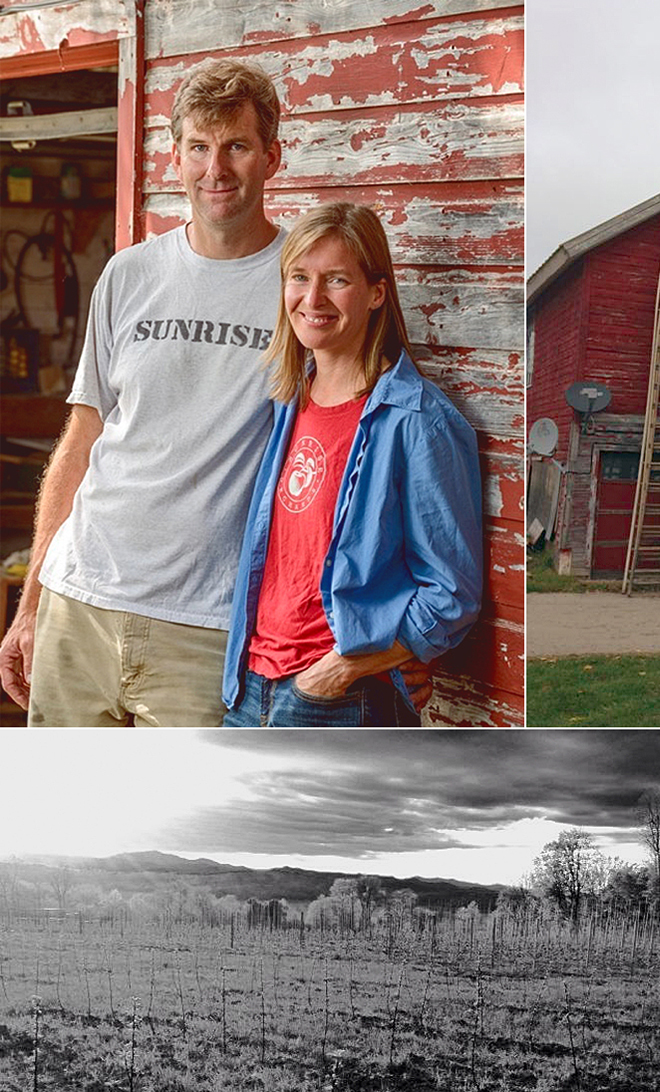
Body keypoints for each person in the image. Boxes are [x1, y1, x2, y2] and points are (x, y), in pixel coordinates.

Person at [0, 59, 431, 725]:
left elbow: (363, 454)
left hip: (207, 627)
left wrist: (391, 641)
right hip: (76, 606)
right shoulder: (128, 273)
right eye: (199, 148)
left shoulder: (304, 287)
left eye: (235, 146)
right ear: (174, 157)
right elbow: (81, 442)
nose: (216, 170)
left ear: (272, 156)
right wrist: (31, 604)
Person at [222, 203, 482, 726]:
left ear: (376, 292)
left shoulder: (417, 420)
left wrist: (346, 667)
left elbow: (453, 592)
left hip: (337, 700)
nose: (312, 299)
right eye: (299, 277)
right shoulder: (287, 402)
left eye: (336, 280)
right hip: (248, 688)